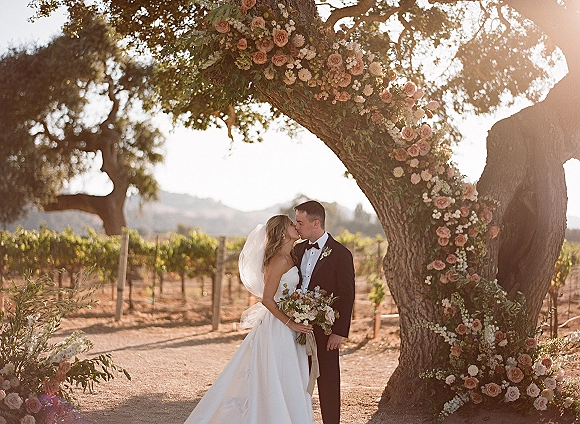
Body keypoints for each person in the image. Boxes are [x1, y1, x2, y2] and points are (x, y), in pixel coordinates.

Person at [183, 215, 315, 424]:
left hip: (289, 323)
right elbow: (267, 300)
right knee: (279, 374)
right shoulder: (279, 260)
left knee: (290, 377)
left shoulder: (291, 256)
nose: (296, 227)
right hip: (279, 327)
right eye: (292, 224)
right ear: (282, 231)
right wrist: (291, 322)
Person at [294, 200, 356, 424]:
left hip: (327, 329)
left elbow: (347, 295)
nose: (296, 227)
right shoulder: (297, 250)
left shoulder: (341, 254)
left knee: (328, 382)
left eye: (300, 222)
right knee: (298, 379)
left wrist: (339, 331)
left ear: (315, 223)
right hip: (297, 327)